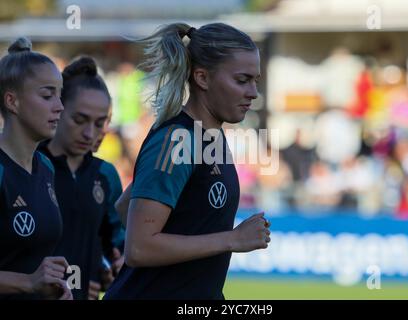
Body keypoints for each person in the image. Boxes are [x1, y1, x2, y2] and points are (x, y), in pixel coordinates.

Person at [104, 22, 271, 300]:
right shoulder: (176, 139)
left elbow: (125, 208)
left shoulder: (209, 137)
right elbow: (139, 247)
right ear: (202, 78)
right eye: (242, 80)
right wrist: (232, 239)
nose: (253, 92)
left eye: (256, 81)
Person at [39, 56, 124, 300]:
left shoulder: (105, 175)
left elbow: (117, 246)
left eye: (99, 124)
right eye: (79, 120)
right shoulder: (29, 165)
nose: (89, 133)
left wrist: (109, 270)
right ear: (58, 109)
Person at [0, 37, 72, 300]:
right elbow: (29, 278)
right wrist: (28, 282)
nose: (60, 106)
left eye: (60, 94)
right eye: (47, 95)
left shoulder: (45, 167)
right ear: (12, 101)